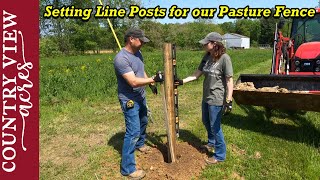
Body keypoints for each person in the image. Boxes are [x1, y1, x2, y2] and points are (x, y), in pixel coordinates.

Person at [175, 32, 233, 164]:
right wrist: (182, 81)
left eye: (206, 43)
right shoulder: (207, 57)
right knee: (206, 121)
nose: (203, 45)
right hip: (206, 96)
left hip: (217, 98)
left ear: (214, 44)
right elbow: (197, 74)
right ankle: (211, 142)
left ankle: (220, 155)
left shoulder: (225, 59)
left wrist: (229, 100)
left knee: (215, 126)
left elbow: (229, 81)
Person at [113, 28, 164, 179]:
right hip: (129, 99)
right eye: (141, 40)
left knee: (143, 121)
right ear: (131, 39)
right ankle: (128, 169)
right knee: (133, 131)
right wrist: (154, 79)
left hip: (140, 96)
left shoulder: (138, 53)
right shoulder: (121, 59)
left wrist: (151, 84)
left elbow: (141, 72)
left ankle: (140, 144)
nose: (143, 43)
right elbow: (133, 81)